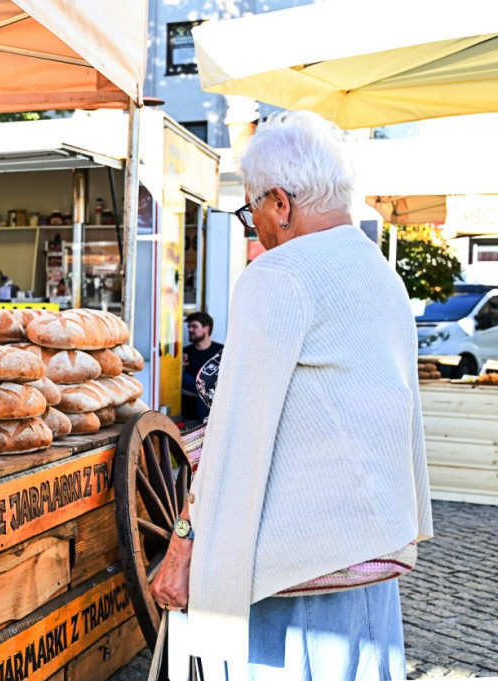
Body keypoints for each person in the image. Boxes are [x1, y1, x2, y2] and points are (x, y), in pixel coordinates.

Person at [150, 111, 432, 679]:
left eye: (250, 212)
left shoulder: (281, 273)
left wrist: (182, 550)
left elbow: (236, 440)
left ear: (279, 202)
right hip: (368, 562)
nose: (254, 229)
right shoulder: (383, 276)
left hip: (291, 573)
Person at [181, 311, 223, 422]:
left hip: (213, 406)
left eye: (194, 326)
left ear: (206, 328)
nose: (190, 330)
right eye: (189, 326)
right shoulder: (185, 353)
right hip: (189, 411)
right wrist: (180, 368)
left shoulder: (221, 352)